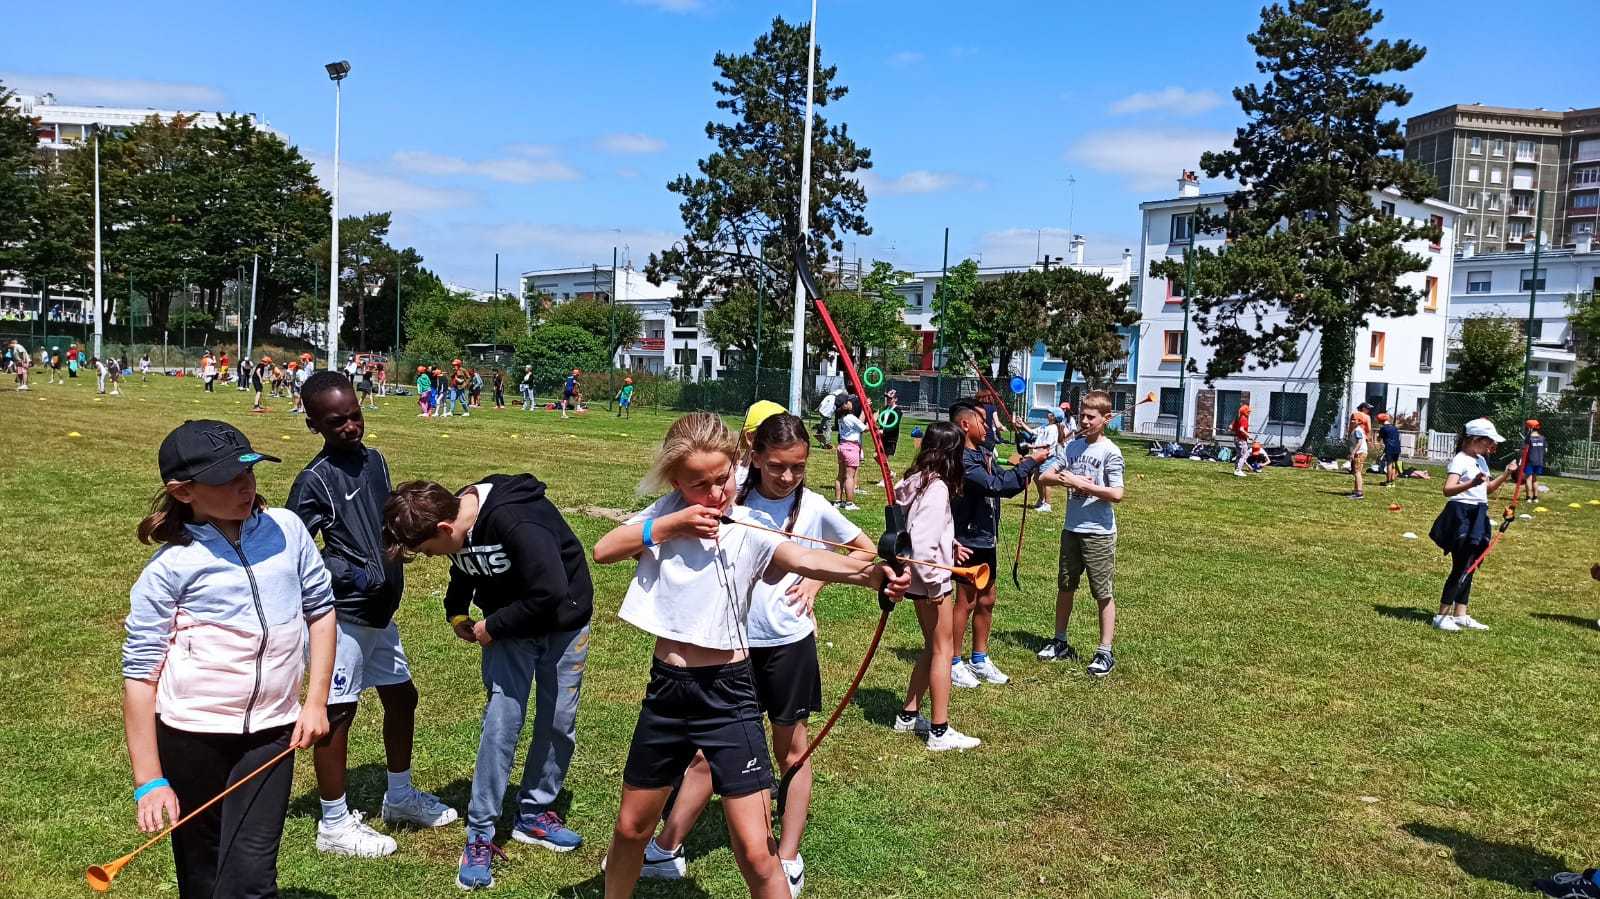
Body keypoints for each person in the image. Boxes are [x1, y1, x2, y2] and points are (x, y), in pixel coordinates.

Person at [590, 411, 910, 899]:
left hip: (729, 695)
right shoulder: (666, 515)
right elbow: (604, 549)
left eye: (723, 479)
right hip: (668, 692)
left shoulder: (749, 525)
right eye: (699, 485)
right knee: (631, 830)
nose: (716, 493)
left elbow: (806, 557)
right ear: (676, 482)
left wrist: (871, 575)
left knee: (756, 850)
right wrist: (671, 524)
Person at [122, 420, 336, 898]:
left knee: (251, 879)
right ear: (183, 492)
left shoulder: (287, 530)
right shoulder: (169, 569)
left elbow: (321, 611)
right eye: (228, 480)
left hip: (273, 731)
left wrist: (315, 702)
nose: (246, 487)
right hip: (191, 737)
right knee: (202, 877)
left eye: (249, 472)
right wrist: (149, 780)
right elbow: (140, 675)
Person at [384, 473, 593, 891]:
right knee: (501, 724)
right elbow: (466, 564)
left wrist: (492, 626)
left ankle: (534, 814)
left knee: (557, 722)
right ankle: (480, 834)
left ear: (445, 528)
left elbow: (549, 591)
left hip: (563, 623)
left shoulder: (516, 520)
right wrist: (457, 610)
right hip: (511, 629)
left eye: (428, 550)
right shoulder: (460, 522)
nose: (430, 557)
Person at [287, 373, 456, 858]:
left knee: (402, 698)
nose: (350, 427)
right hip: (342, 618)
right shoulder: (315, 480)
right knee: (338, 713)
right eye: (336, 421)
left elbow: (384, 520)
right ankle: (334, 825)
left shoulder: (375, 460)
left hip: (381, 612)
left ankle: (399, 796)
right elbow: (293, 550)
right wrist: (350, 573)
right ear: (314, 424)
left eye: (355, 415)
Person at [894, 420, 983, 751]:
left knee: (932, 646)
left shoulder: (917, 480)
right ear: (952, 453)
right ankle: (939, 731)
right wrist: (936, 588)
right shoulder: (937, 488)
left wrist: (950, 542)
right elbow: (921, 546)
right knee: (943, 650)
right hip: (930, 583)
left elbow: (921, 527)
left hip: (919, 581)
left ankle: (908, 715)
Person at [949, 399, 1049, 687]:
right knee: (966, 601)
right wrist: (1031, 462)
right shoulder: (963, 460)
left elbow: (1006, 479)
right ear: (965, 425)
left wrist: (1026, 463)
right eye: (982, 421)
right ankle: (953, 661)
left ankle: (979, 659)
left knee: (987, 598)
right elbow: (998, 486)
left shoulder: (983, 453)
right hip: (968, 539)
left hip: (986, 536)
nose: (987, 426)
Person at [1035, 391, 1126, 677]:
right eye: (1082, 415)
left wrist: (1084, 485)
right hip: (1071, 529)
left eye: (1091, 417)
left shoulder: (1110, 451)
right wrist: (1068, 480)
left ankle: (1105, 651)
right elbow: (1045, 476)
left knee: (1102, 592)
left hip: (1098, 533)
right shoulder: (1072, 447)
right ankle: (1060, 641)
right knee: (1065, 586)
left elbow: (1117, 493)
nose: (1084, 421)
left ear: (1105, 419)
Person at [1427, 417, 1518, 632]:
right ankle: (1441, 616)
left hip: (1478, 513)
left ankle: (1460, 614)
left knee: (1472, 564)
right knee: (1461, 566)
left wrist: (1507, 473)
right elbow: (1448, 489)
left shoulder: (1481, 460)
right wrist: (1471, 483)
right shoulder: (1460, 460)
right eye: (1488, 441)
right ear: (1475, 439)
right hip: (1461, 514)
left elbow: (1487, 489)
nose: (1491, 445)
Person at [834, 397, 865, 511]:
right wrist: (874, 417)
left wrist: (863, 411)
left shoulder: (841, 417)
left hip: (842, 446)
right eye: (847, 401)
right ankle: (849, 503)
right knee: (849, 476)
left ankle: (838, 501)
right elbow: (864, 428)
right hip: (851, 448)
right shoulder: (851, 417)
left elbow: (858, 424)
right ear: (844, 405)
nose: (850, 402)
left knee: (840, 475)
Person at [1031, 411, 1064, 513]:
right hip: (1039, 456)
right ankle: (1041, 499)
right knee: (1036, 478)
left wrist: (1032, 446)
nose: (1048, 413)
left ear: (1054, 417)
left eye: (1050, 413)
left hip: (1047, 457)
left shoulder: (1053, 428)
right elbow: (1032, 431)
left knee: (1045, 480)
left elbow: (1047, 444)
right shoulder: (1045, 426)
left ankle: (1047, 504)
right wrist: (1021, 424)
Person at [1348, 402, 1373, 499]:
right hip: (1360, 450)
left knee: (1357, 472)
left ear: (1359, 422)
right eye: (1352, 419)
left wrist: (1353, 452)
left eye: (1354, 420)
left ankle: (1359, 493)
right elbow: (1368, 430)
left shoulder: (1357, 430)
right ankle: (1356, 491)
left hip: (1360, 452)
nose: (1352, 421)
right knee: (1356, 471)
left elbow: (1359, 442)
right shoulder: (1359, 428)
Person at [1378, 413, 1402, 487]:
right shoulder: (1394, 428)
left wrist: (1379, 438)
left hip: (1389, 448)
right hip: (1397, 448)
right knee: (1394, 464)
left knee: (1389, 464)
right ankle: (1392, 482)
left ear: (1381, 421)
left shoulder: (1383, 428)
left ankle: (1388, 482)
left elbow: (1379, 438)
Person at [1525, 419, 1547, 497]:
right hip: (1539, 461)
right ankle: (1535, 498)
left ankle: (1529, 497)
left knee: (1528, 479)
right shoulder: (1543, 438)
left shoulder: (1529, 438)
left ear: (1529, 428)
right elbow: (1546, 450)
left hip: (1530, 461)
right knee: (1534, 479)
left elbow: (1525, 449)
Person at [1231, 403, 1252, 477]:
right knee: (1243, 455)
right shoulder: (1244, 419)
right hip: (1241, 440)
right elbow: (1241, 429)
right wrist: (1248, 435)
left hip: (1236, 438)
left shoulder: (1238, 418)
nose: (1249, 413)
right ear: (1245, 411)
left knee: (1239, 455)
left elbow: (1231, 427)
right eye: (1248, 411)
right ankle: (1238, 470)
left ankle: (1237, 469)